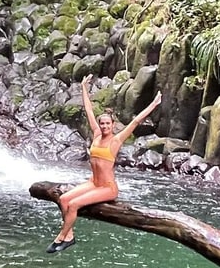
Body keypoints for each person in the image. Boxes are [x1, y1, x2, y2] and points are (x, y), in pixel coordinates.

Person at [46, 74, 163, 253]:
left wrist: (154, 105)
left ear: (112, 124)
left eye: (107, 123)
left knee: (74, 204)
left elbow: (135, 121)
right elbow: (89, 110)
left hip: (107, 188)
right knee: (63, 199)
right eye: (102, 123)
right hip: (93, 183)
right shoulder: (96, 134)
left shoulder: (116, 141)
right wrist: (84, 87)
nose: (104, 126)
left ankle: (62, 236)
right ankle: (69, 235)